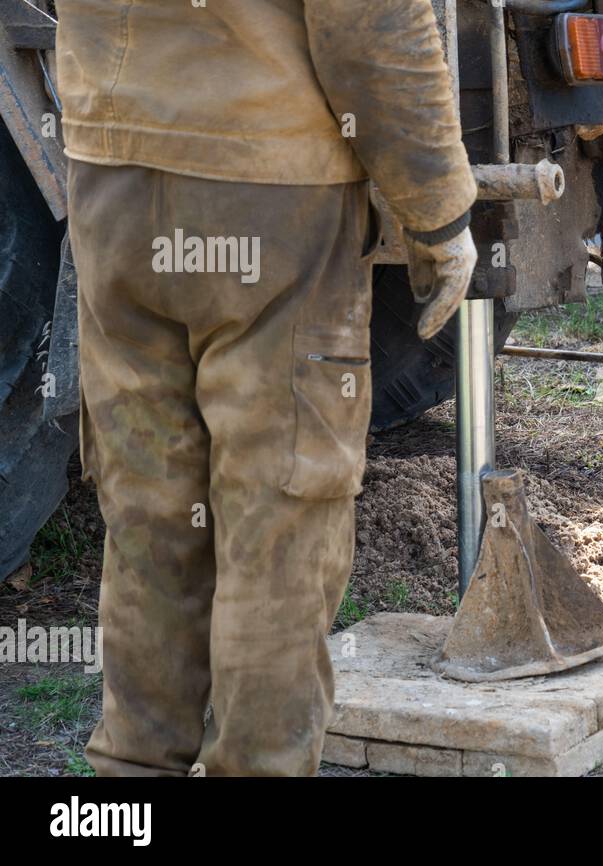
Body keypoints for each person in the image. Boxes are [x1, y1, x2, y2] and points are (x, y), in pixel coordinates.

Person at [57, 0, 478, 775]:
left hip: (111, 176)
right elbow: (371, 22)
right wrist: (439, 211)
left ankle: (129, 780)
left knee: (149, 510)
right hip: (271, 185)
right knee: (277, 521)